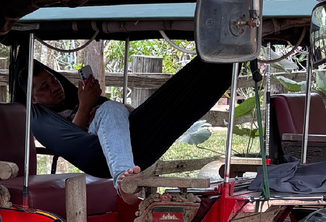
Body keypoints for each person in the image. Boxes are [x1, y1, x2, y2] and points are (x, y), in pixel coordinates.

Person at [14, 51, 233, 201]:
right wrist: (86, 106)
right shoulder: (41, 119)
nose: (54, 87)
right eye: (44, 87)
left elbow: (127, 116)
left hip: (123, 139)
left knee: (116, 109)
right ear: (32, 99)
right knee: (110, 109)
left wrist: (106, 109)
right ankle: (124, 181)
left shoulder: (71, 98)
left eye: (53, 80)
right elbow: (73, 140)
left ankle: (221, 61)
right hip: (95, 152)